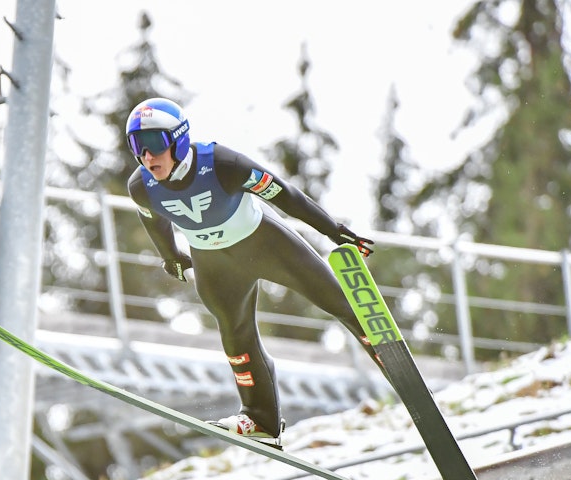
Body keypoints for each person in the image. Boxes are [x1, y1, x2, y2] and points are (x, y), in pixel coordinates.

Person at [125, 97, 385, 448]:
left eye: (154, 144)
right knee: (235, 337)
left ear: (179, 138)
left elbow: (287, 196)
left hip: (264, 245)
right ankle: (262, 420)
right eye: (137, 147)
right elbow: (155, 223)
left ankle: (390, 359)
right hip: (215, 266)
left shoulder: (223, 164)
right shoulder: (141, 187)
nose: (147, 156)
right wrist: (170, 256)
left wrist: (332, 230)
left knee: (336, 300)